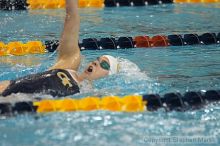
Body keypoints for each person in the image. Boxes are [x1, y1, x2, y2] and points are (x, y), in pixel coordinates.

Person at [0, 0, 119, 97]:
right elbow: (71, 18)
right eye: (97, 59)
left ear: (108, 76)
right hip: (5, 88)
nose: (95, 62)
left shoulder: (88, 94)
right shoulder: (68, 66)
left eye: (103, 65)